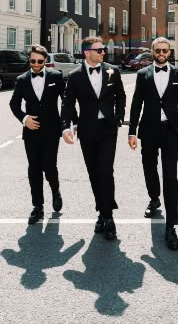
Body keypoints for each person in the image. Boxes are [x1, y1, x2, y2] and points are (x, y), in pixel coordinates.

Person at [128, 37, 178, 251]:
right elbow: (136, 103)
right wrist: (131, 131)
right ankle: (154, 198)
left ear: (169, 52)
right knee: (149, 168)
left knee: (170, 176)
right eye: (158, 50)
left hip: (170, 131)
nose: (161, 53)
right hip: (148, 130)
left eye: (165, 50)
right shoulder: (142, 74)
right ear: (152, 51)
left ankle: (171, 226)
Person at [61, 36, 126, 241]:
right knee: (94, 173)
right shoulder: (74, 76)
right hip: (87, 130)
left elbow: (121, 96)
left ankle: (109, 217)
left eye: (104, 49)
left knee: (106, 171)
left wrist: (119, 117)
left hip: (108, 128)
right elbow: (67, 103)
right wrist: (66, 127)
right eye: (100, 50)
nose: (103, 52)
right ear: (87, 52)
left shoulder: (112, 71)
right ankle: (102, 211)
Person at [9, 44, 65, 225]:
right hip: (31, 132)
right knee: (34, 168)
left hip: (51, 131)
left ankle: (55, 190)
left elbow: (66, 101)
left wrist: (70, 124)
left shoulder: (56, 77)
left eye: (39, 61)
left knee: (49, 166)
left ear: (45, 61)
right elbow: (14, 104)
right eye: (32, 61)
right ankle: (38, 206)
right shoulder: (22, 80)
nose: (36, 64)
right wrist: (25, 119)